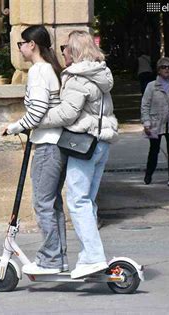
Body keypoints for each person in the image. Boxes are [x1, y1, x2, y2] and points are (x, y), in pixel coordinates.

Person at [37, 30, 119, 279]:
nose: (61, 52)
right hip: (102, 143)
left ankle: (93, 256)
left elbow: (66, 114)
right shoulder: (100, 74)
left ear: (74, 50)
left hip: (84, 144)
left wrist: (38, 120)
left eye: (65, 47)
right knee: (88, 201)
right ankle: (87, 256)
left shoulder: (77, 78)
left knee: (77, 200)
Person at [1, 25, 67, 275]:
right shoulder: (50, 69)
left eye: (21, 43)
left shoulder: (40, 71)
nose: (19, 48)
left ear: (32, 45)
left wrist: (15, 127)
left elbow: (38, 111)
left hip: (48, 146)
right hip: (55, 143)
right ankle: (57, 258)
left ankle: (50, 259)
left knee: (43, 204)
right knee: (52, 204)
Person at [141, 57, 169, 187]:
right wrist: (146, 122)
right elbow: (145, 105)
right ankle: (149, 173)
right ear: (158, 70)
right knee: (154, 150)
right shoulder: (151, 86)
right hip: (155, 123)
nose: (167, 69)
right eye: (164, 67)